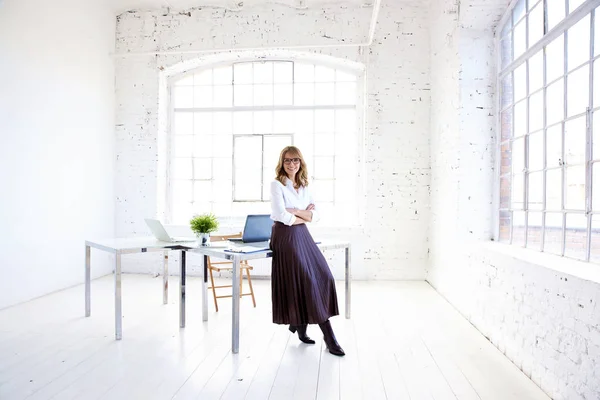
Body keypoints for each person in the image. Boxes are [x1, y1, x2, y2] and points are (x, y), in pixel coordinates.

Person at [269, 145, 345, 356]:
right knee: (307, 281)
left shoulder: (304, 186)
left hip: (302, 233)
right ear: (281, 163)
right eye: (287, 160)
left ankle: (300, 325)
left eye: (295, 160)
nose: (291, 164)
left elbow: (316, 215)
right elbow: (281, 215)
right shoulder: (276, 185)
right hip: (285, 236)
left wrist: (297, 212)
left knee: (323, 276)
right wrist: (303, 215)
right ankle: (330, 339)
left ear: (301, 162)